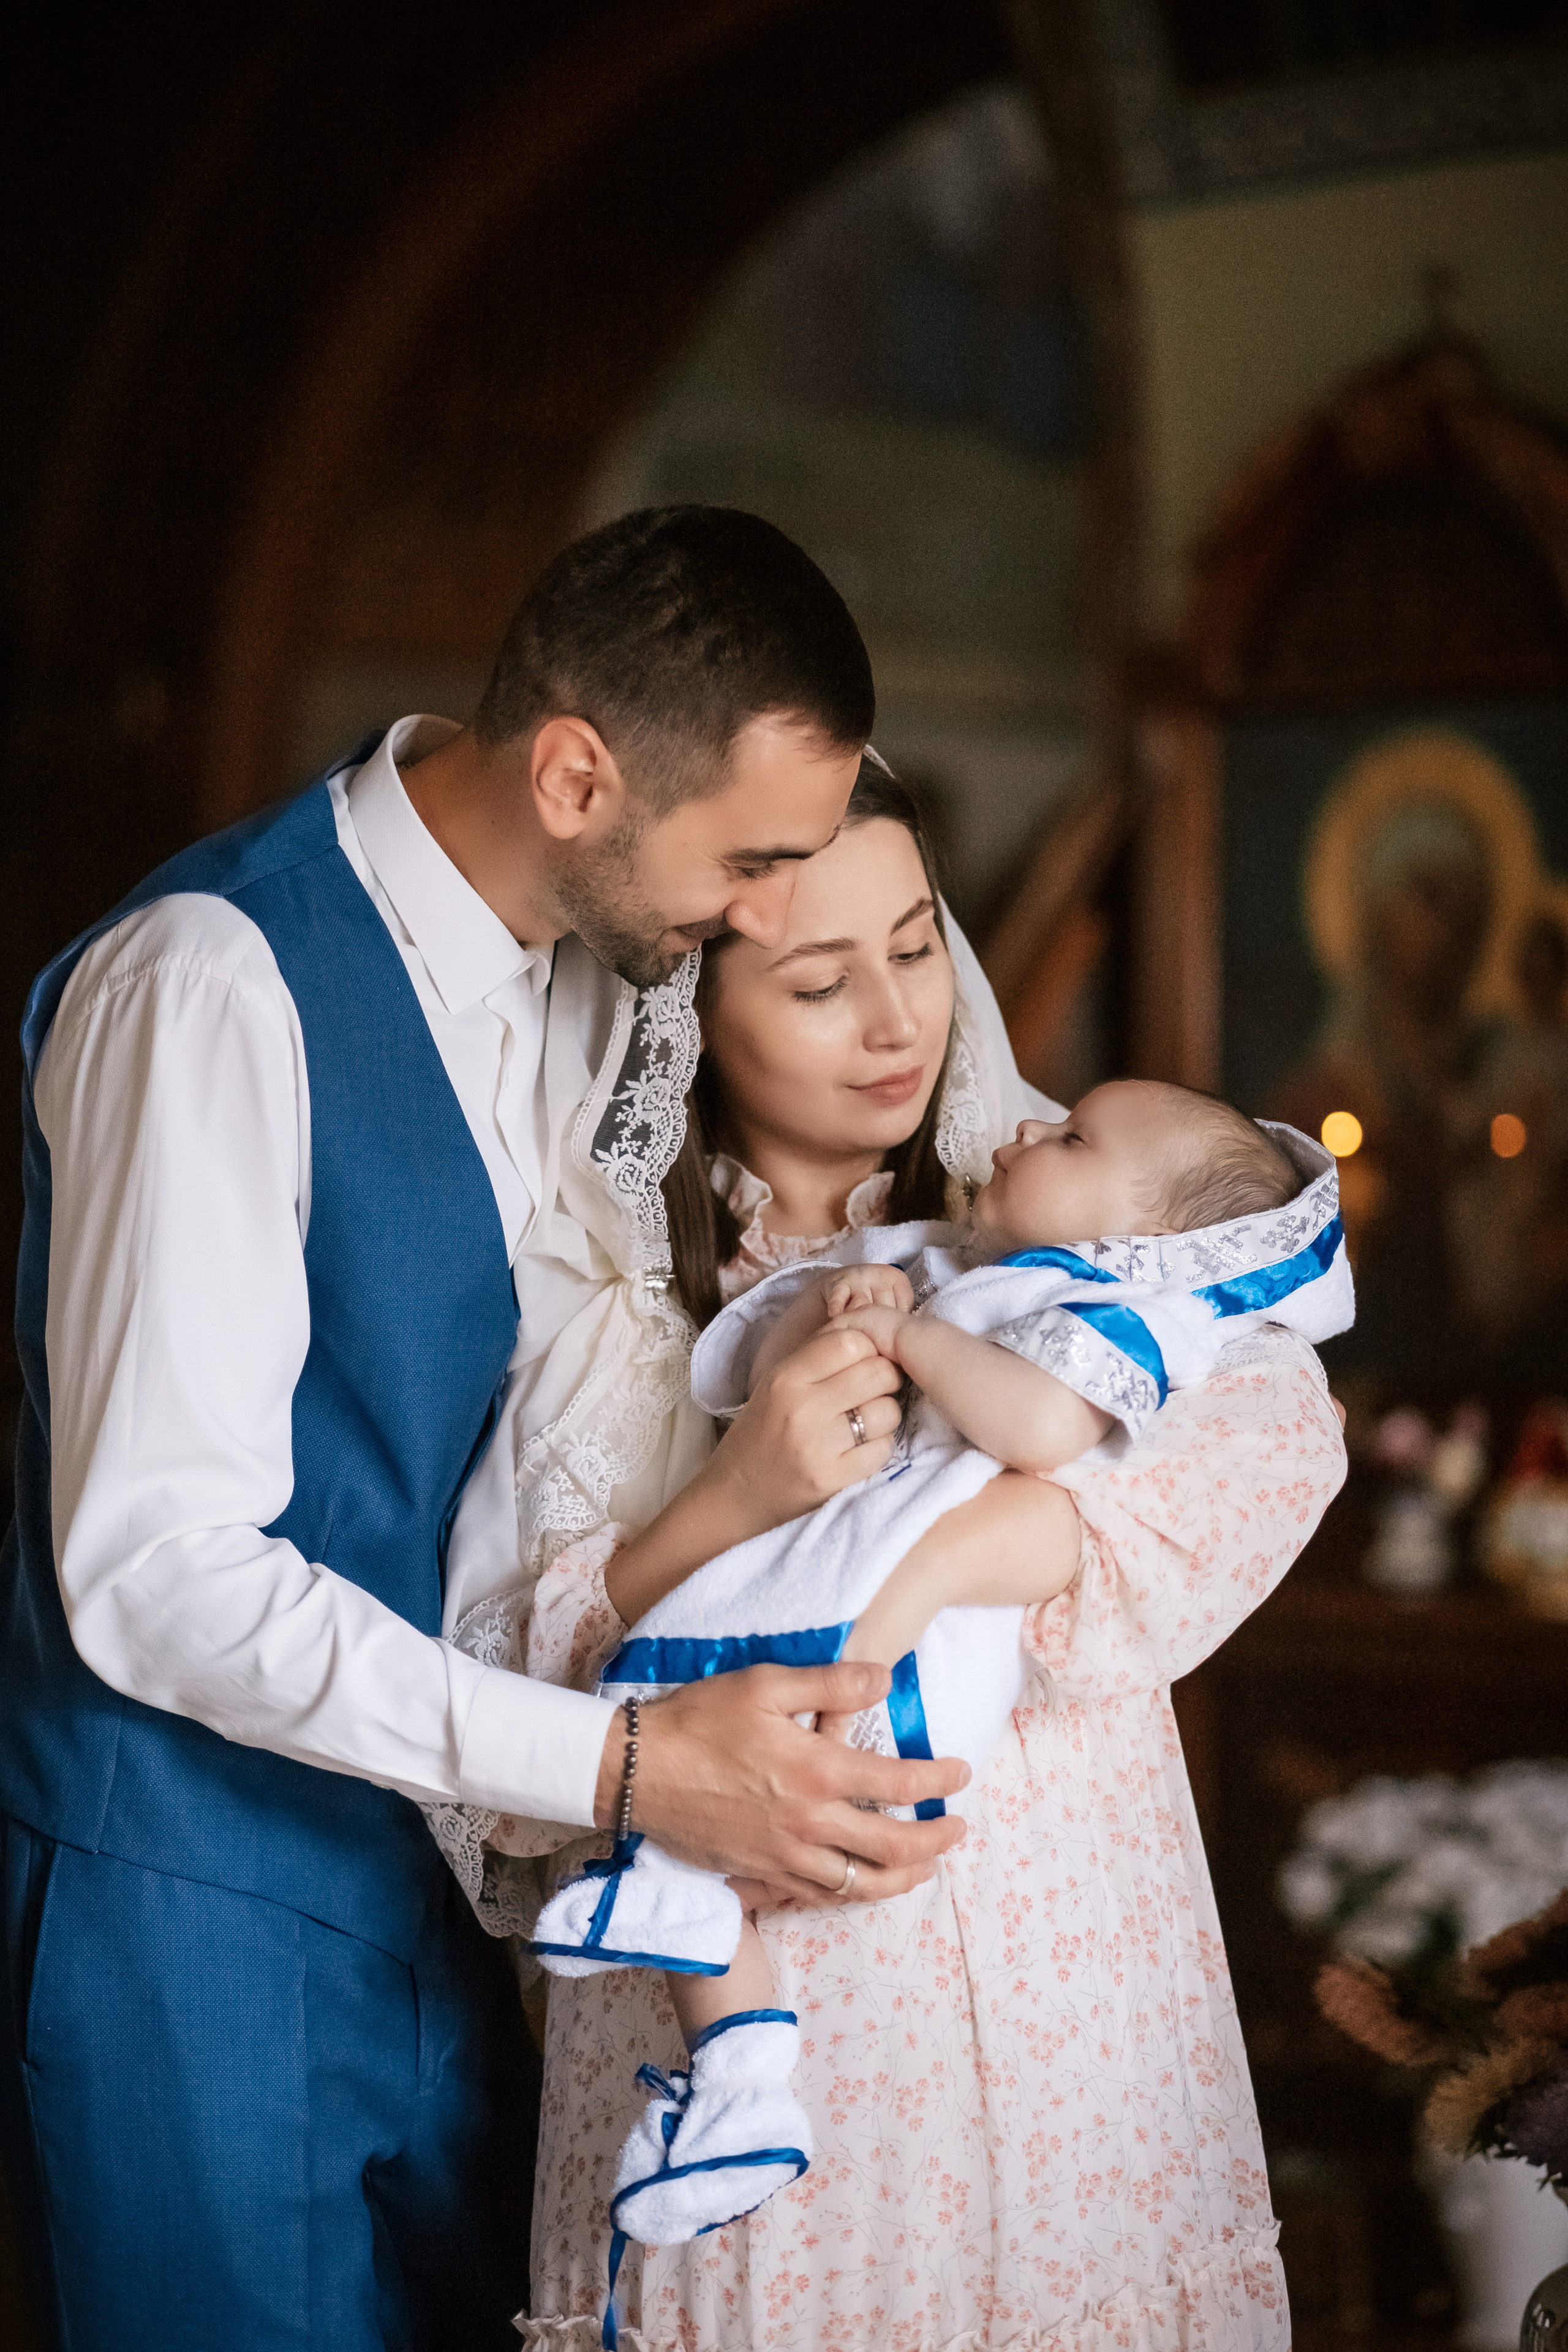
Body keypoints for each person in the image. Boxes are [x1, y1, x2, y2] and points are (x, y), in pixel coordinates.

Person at [0, 507, 978, 2352]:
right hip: (189, 1906)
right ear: (578, 775)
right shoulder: (211, 980)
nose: (759, 913)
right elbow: (156, 1570)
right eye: (749, 860)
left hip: (431, 1890)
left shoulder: (603, 986)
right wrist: (623, 1767)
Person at [499, 783, 1348, 2351]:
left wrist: (950, 1553)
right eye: (820, 982)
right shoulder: (599, 1310)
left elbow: (1270, 1450)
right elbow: (494, 1741)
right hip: (798, 2092)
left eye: (914, 948)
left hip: (1077, 2053)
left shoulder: (1068, 1233)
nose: (898, 1021)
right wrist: (738, 1492)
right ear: (686, 1003)